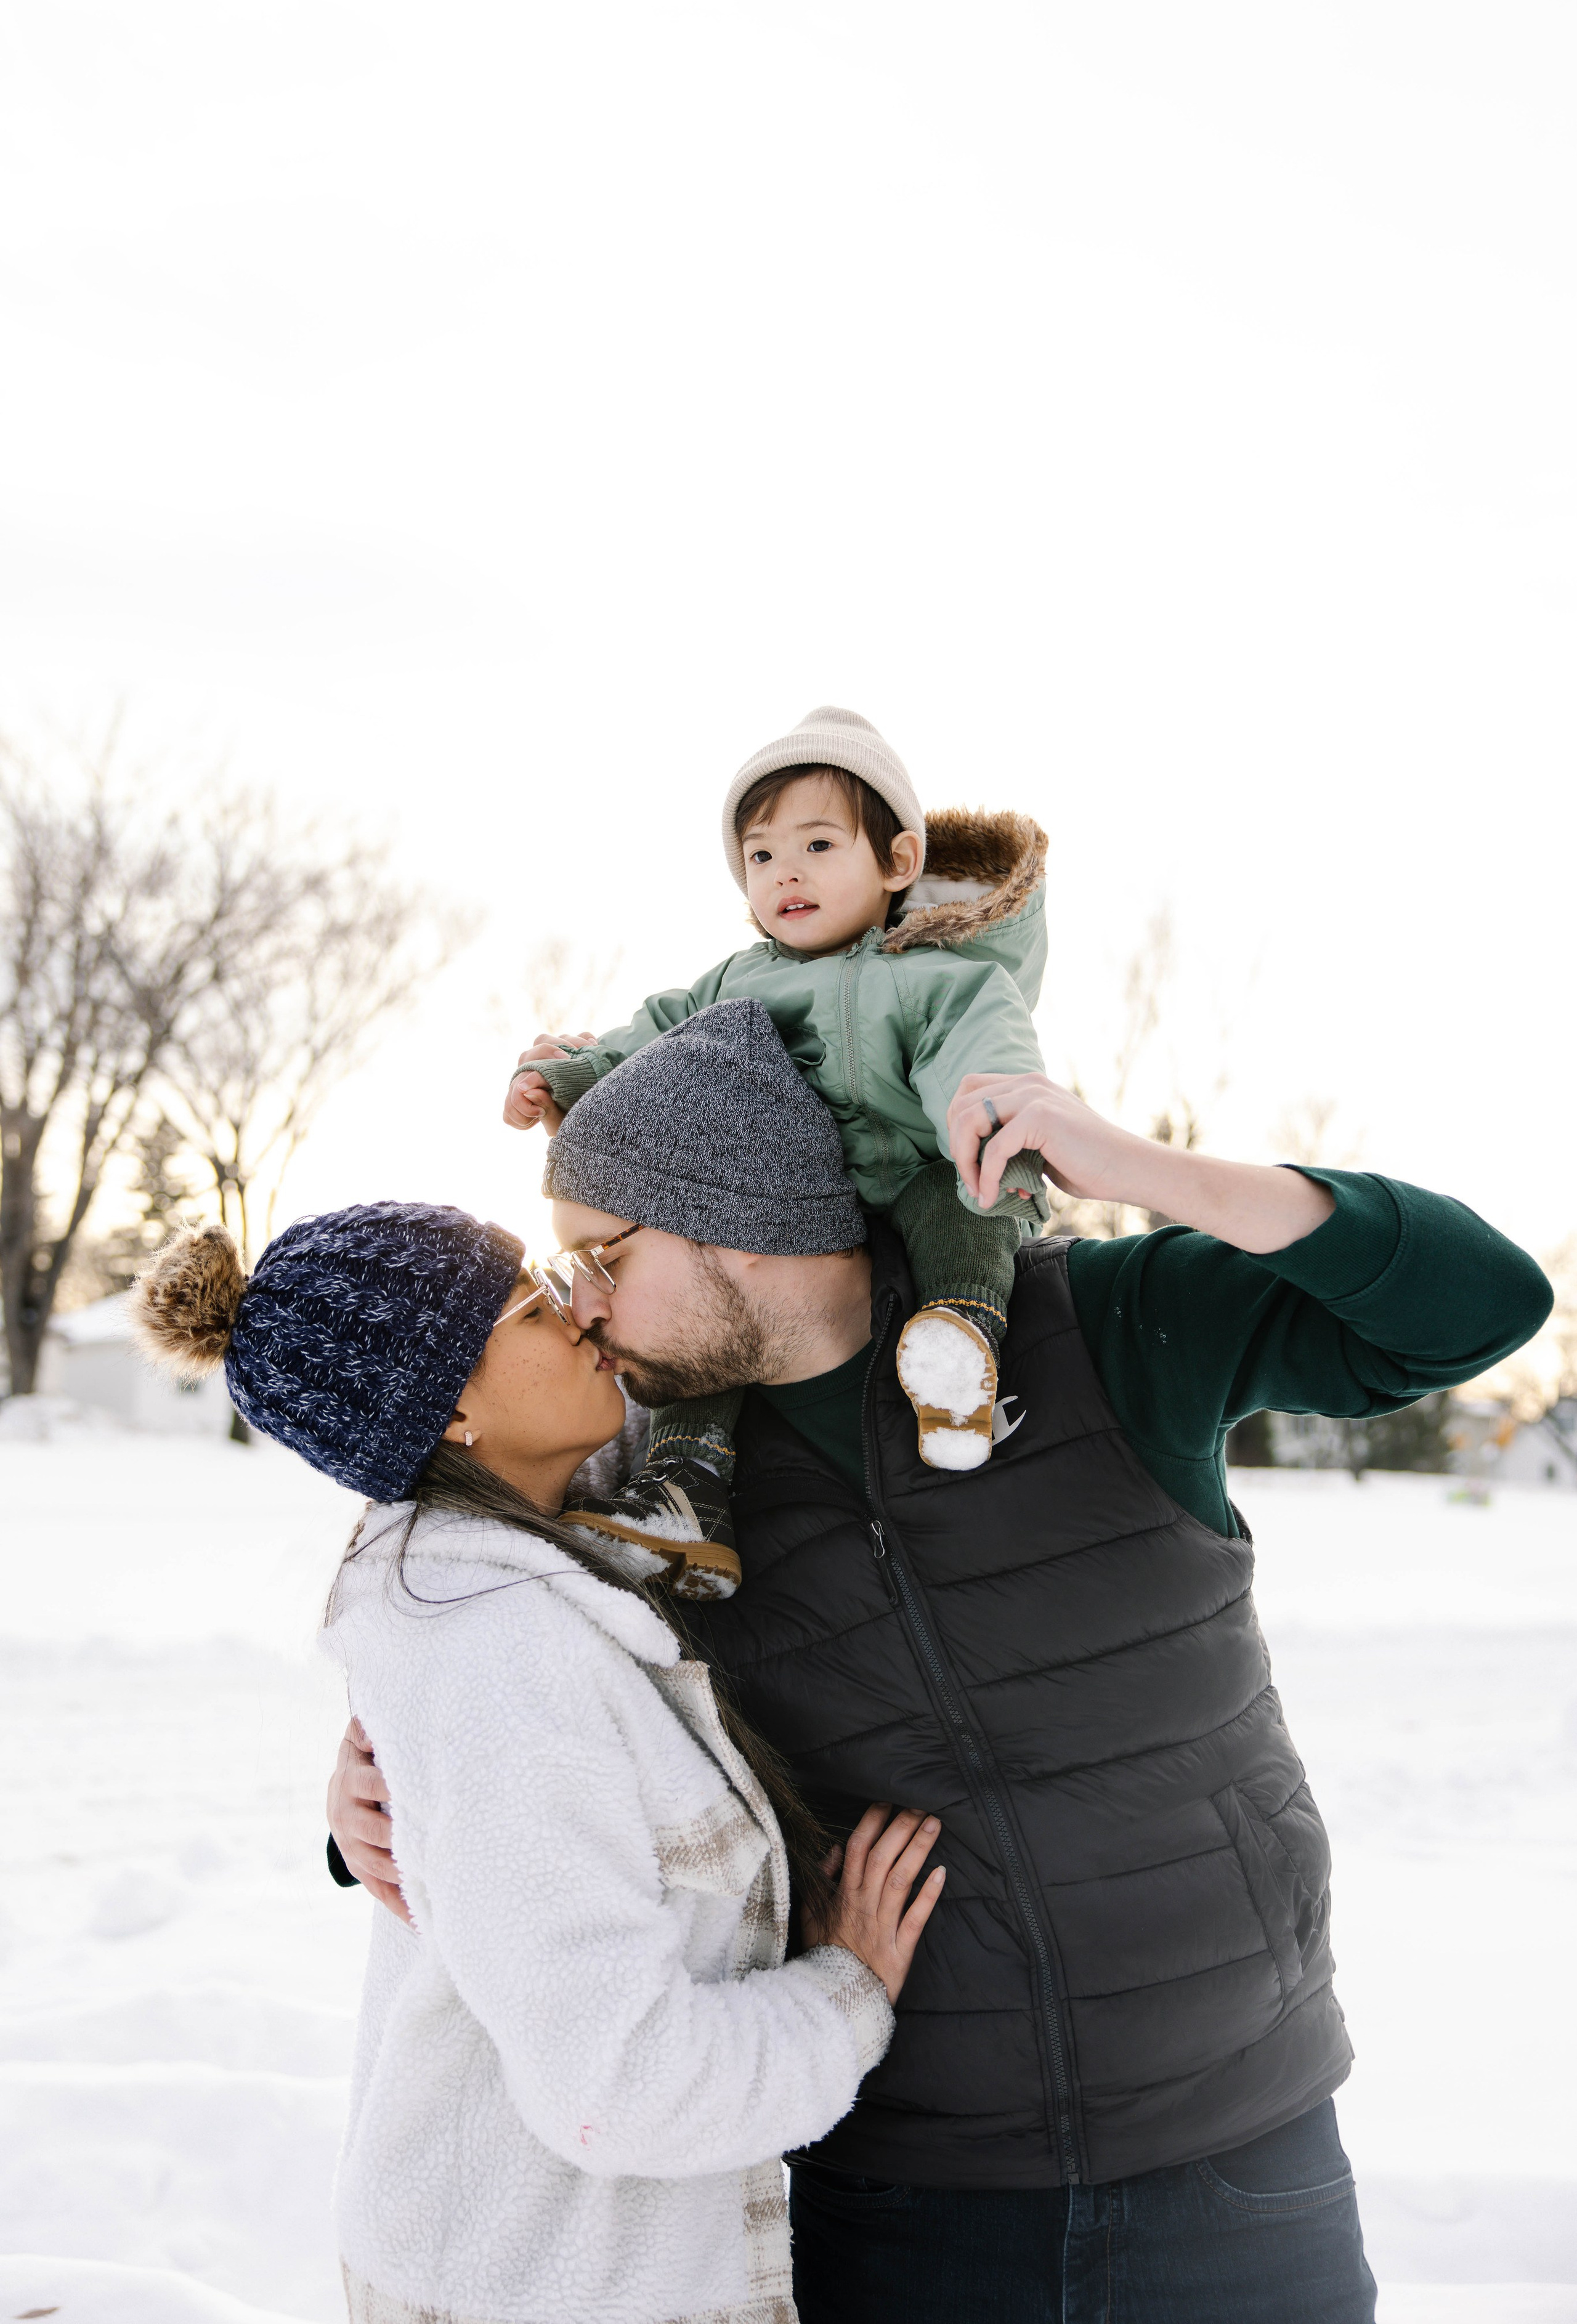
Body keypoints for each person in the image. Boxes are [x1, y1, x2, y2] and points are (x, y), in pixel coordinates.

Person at [331, 1007, 1552, 2322]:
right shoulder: (660, 1484)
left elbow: (1482, 1305)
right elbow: (478, 1638)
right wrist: (360, 1793)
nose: (584, 1305)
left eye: (602, 1256)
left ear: (733, 1218)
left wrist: (1130, 1163)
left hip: (1238, 2160)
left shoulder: (1093, 1327)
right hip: (903, 2203)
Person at [131, 1199, 945, 2324]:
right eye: (530, 1305)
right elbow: (619, 2085)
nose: (577, 1313)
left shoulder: (521, 1558)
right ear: (452, 1406)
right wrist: (845, 1996)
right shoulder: (497, 1654)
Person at [503, 707, 1052, 1536]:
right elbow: (656, 1036)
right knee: (700, 1308)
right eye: (761, 856)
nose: (785, 874)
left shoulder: (937, 971)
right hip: (794, 1199)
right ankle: (687, 1484)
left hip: (918, 1163)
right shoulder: (739, 979)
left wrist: (984, 1113)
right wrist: (568, 1073)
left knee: (966, 1208)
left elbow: (979, 1045)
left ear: (899, 860)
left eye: (818, 846)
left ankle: (960, 1342)